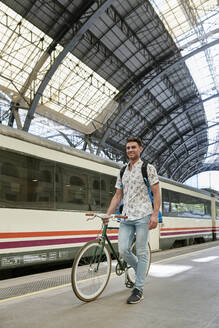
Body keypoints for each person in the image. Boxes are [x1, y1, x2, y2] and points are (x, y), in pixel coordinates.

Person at [104, 136, 161, 304]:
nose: (130, 150)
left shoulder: (148, 168)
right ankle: (140, 271)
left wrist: (155, 214)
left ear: (140, 149)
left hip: (143, 215)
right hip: (126, 216)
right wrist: (108, 214)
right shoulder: (122, 171)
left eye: (133, 147)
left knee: (141, 251)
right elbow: (117, 195)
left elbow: (157, 192)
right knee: (123, 250)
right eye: (128, 148)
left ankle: (139, 289)